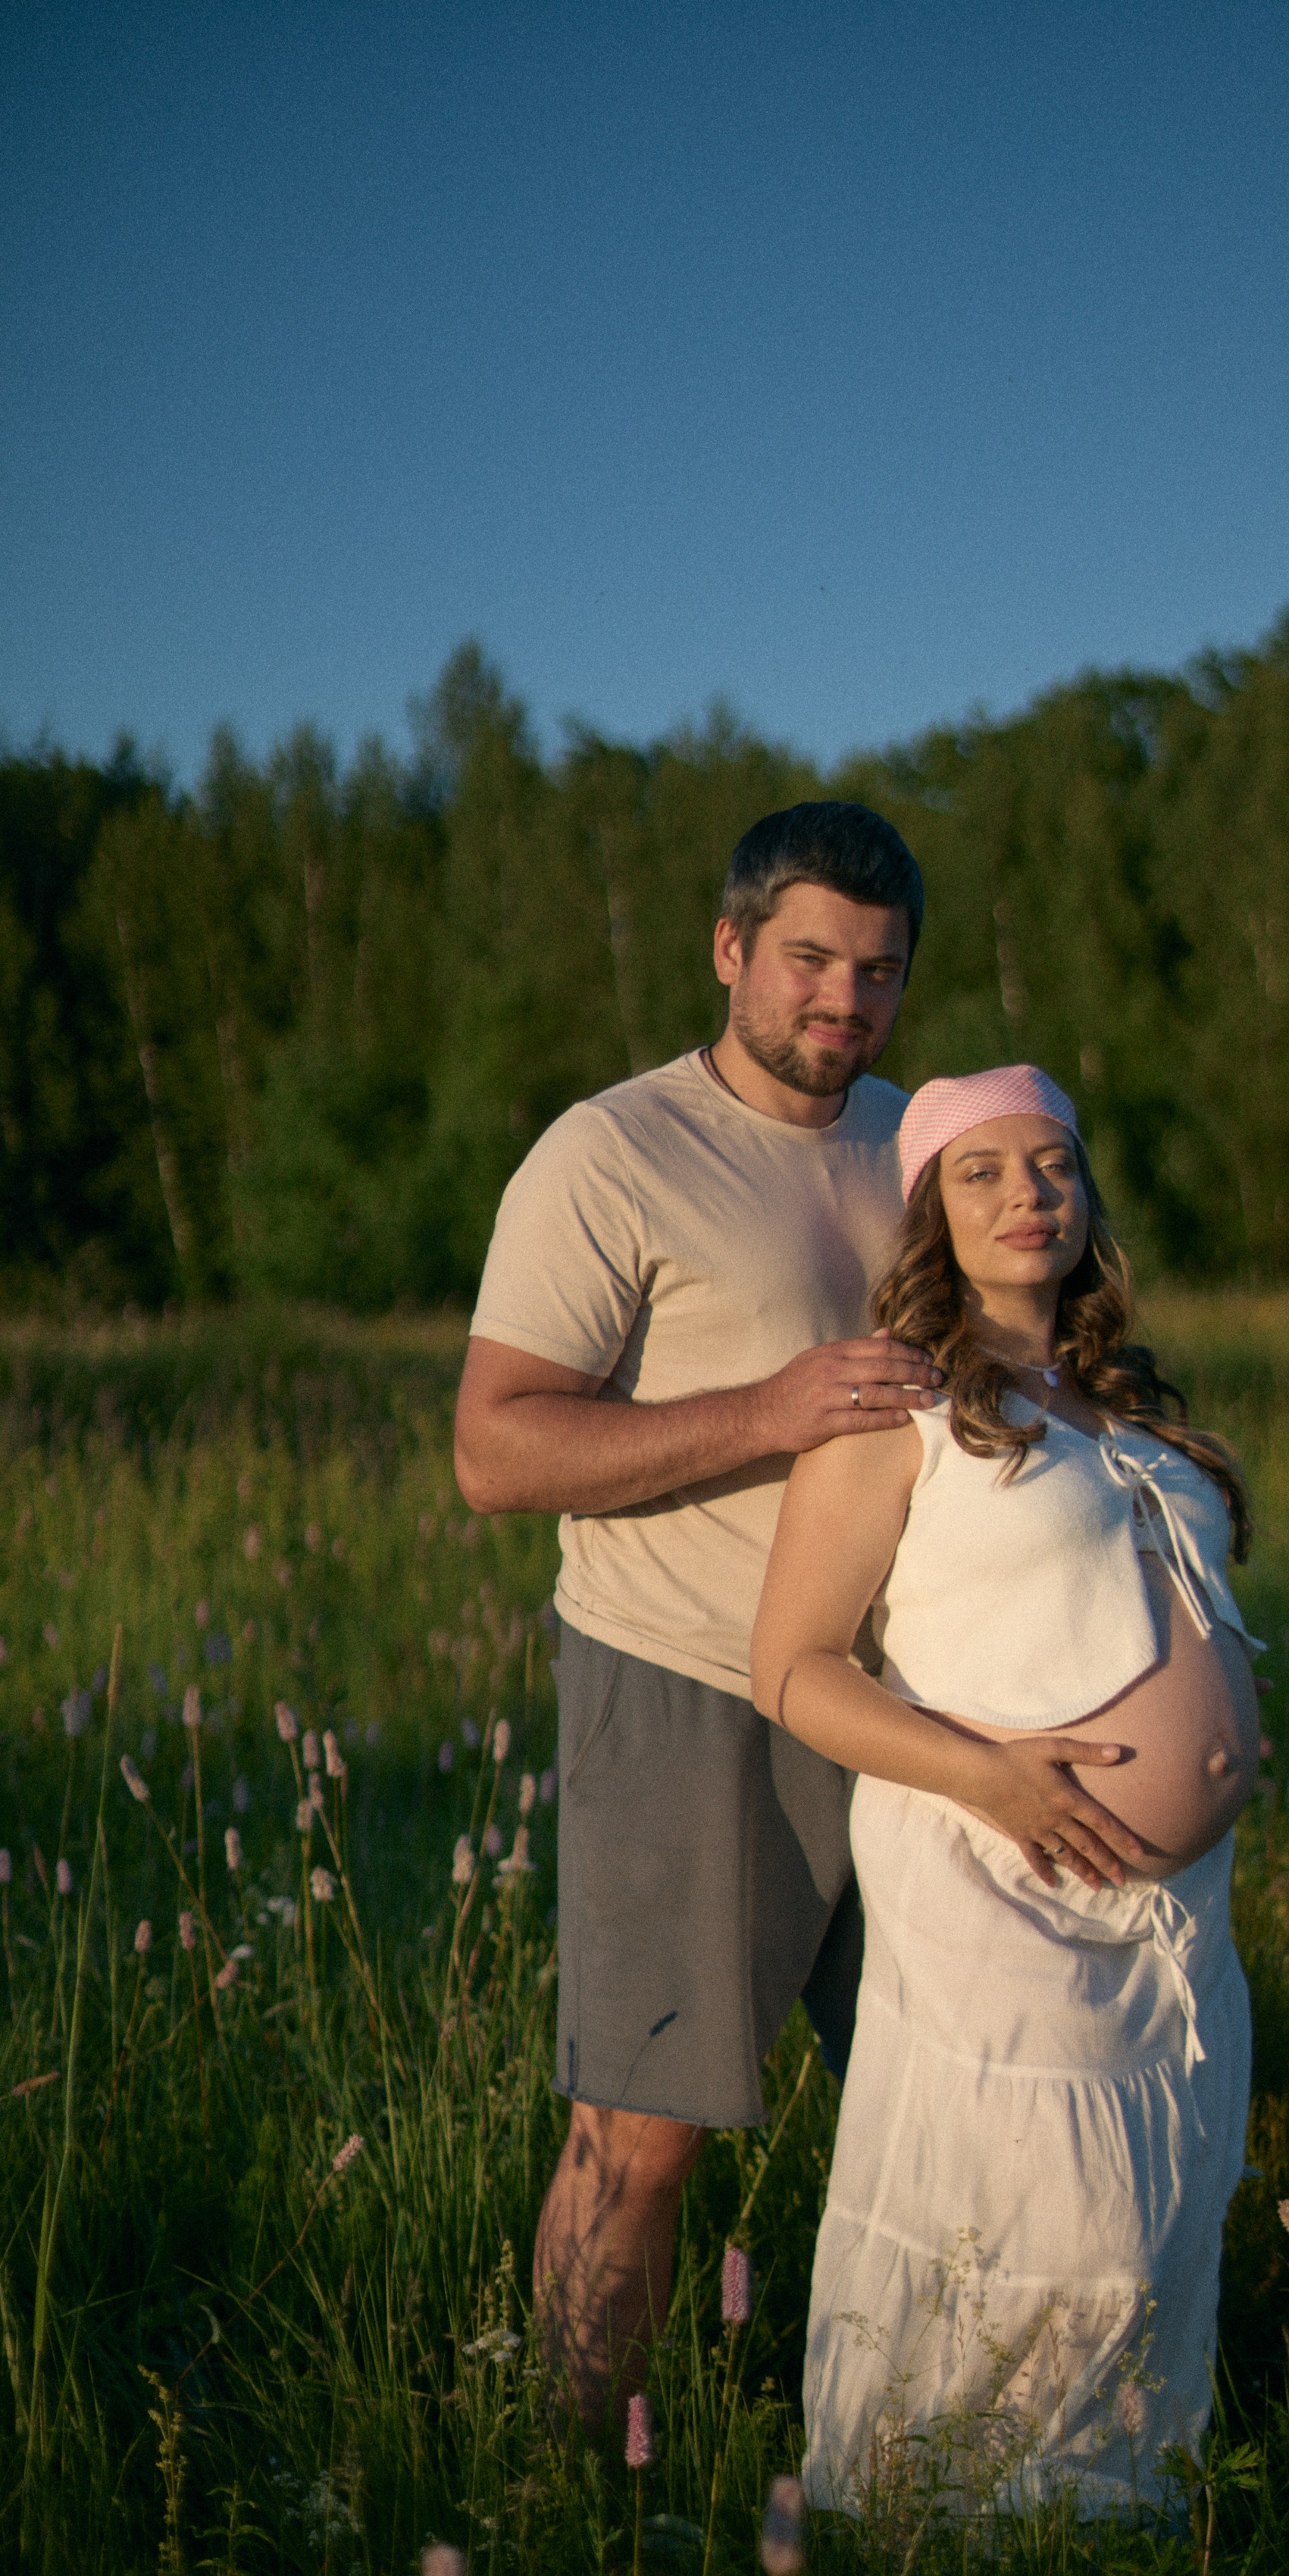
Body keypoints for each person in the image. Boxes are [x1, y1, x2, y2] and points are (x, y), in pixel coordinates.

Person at [454, 801, 941, 2431]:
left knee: (941, 2103)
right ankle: (572, 2498)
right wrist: (770, 1409)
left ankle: (944, 2473)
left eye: (875, 971)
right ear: (729, 950)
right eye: (808, 958)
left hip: (909, 1704)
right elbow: (496, 1448)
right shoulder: (611, 1152)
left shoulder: (915, 1143)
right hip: (685, 1695)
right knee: (641, 2134)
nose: (842, 1001)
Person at [749, 1063, 1260, 2516]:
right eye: (984, 1173)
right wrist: (996, 1782)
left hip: (1170, 1914)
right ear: (928, 1212)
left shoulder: (1117, 1401)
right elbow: (793, 1666)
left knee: (1155, 2226)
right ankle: (947, 2535)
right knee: (1047, 2220)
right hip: (1003, 1869)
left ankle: (1115, 2527)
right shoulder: (894, 1410)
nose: (1028, 1197)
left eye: (1053, 1167)